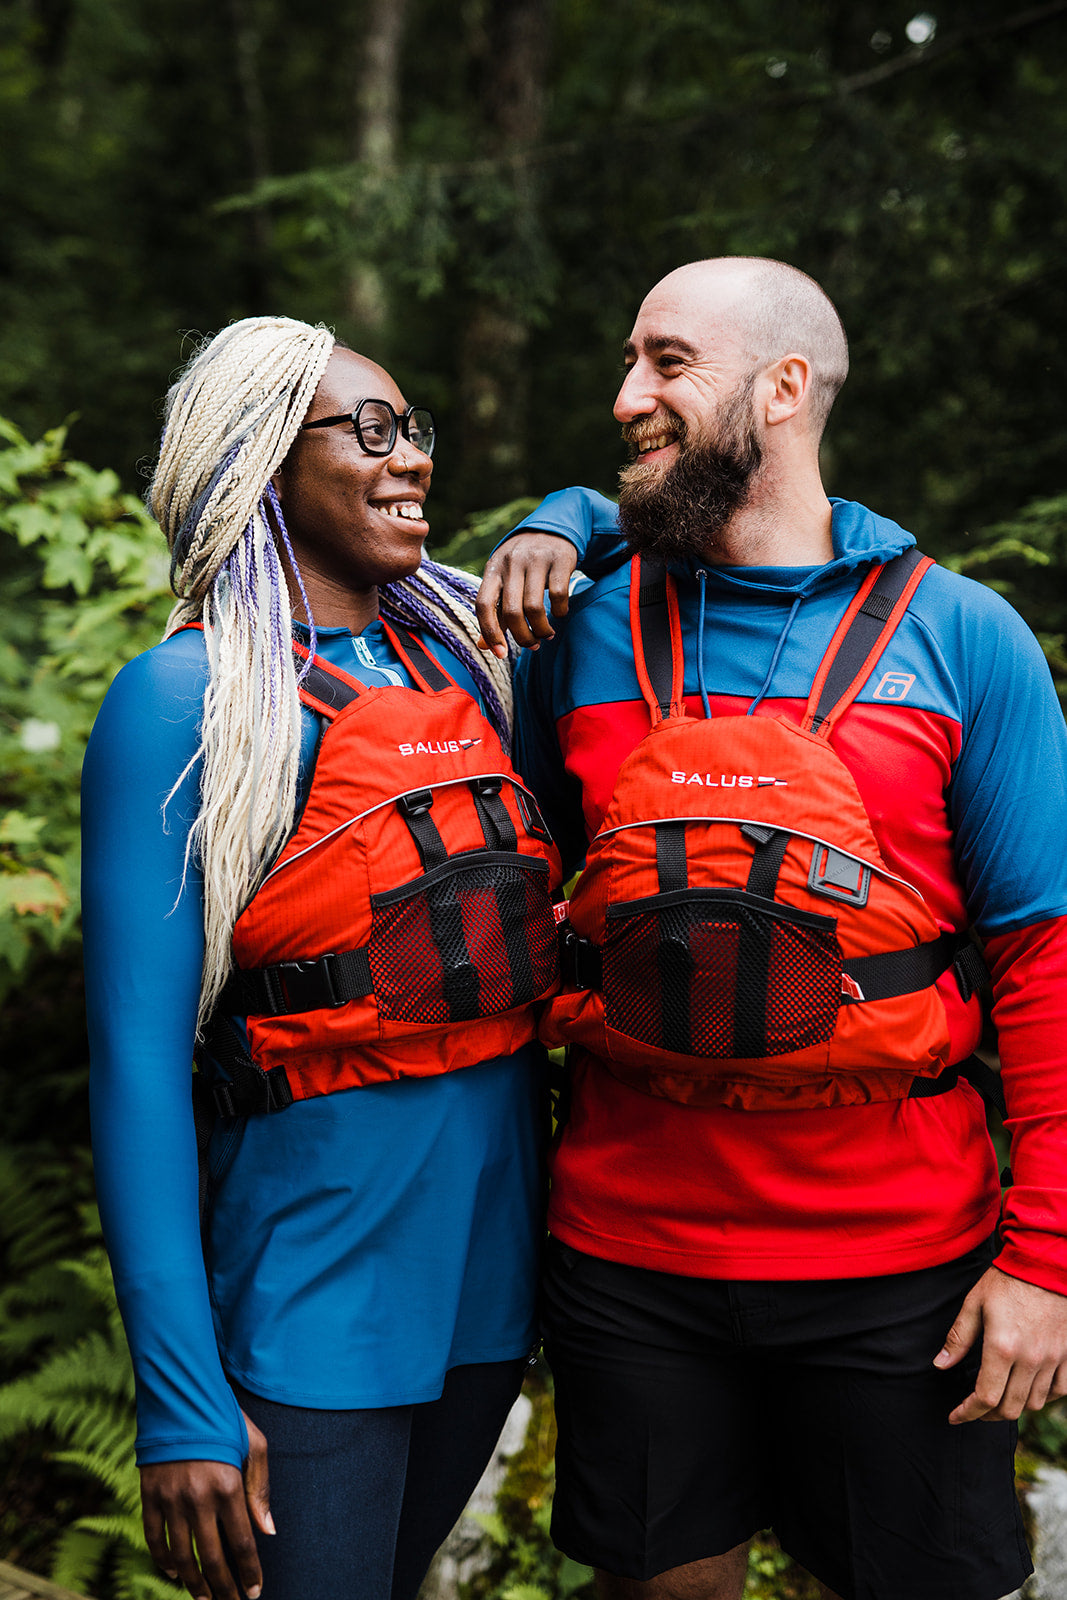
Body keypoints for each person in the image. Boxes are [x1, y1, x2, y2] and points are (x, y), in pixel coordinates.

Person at [475, 257, 1067, 1600]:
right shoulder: (574, 627)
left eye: (665, 362)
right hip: (629, 1260)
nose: (626, 394)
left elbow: (1044, 963)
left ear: (784, 386)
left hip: (898, 1270)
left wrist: (1044, 1261)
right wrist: (563, 514)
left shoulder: (962, 637)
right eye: (628, 361)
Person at [82, 315, 586, 1600]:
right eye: (367, 429)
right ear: (258, 459)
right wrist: (183, 1399)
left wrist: (566, 516)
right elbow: (136, 1071)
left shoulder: (466, 662)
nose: (408, 456)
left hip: (484, 1290)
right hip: (311, 1293)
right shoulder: (185, 701)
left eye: (412, 426)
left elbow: (671, 530)